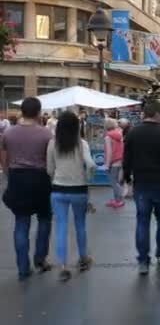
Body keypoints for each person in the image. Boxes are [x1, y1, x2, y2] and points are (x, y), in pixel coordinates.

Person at [123, 100, 160, 275]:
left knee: (142, 222)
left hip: (141, 184)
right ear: (155, 113)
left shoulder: (133, 133)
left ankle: (143, 260)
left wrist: (126, 177)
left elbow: (127, 158)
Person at [0, 97, 53, 280]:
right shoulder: (46, 134)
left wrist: (8, 173)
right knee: (45, 220)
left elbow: (4, 158)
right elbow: (50, 160)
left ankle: (23, 267)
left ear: (21, 111)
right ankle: (40, 259)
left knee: (21, 223)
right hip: (40, 179)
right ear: (39, 113)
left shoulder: (8, 133)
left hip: (17, 178)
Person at [46, 111, 96, 281]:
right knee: (80, 225)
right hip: (79, 190)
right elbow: (90, 165)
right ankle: (83, 259)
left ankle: (62, 266)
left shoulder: (53, 144)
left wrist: (57, 178)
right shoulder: (82, 144)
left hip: (58, 189)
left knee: (60, 227)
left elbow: (49, 170)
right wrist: (88, 177)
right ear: (77, 126)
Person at [103, 118, 125, 208]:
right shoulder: (118, 134)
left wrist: (107, 165)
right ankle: (117, 199)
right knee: (116, 181)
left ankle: (119, 200)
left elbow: (109, 152)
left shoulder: (108, 137)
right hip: (119, 160)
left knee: (113, 182)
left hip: (113, 162)